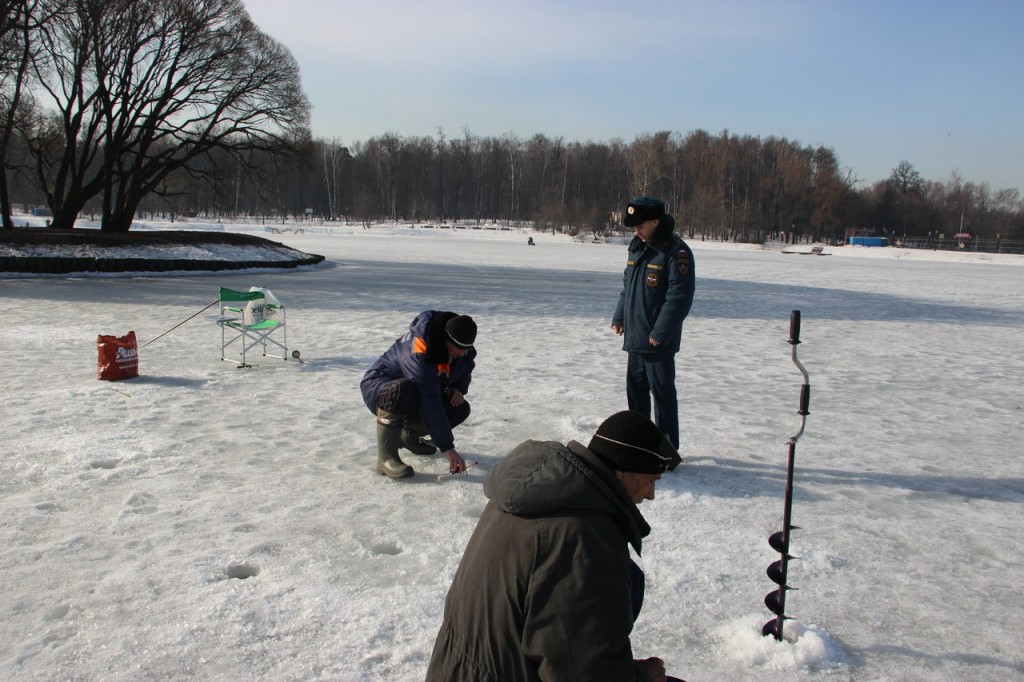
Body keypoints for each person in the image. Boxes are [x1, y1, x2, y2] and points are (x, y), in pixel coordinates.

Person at [427, 410, 686, 682]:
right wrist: (642, 676)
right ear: (623, 471)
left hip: (456, 669)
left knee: (629, 579)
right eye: (651, 481)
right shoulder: (585, 539)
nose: (651, 495)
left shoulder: (536, 494)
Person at [612, 197, 695, 450]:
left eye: (640, 225)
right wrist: (620, 316)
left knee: (663, 398)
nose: (636, 230)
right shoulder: (637, 247)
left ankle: (666, 450)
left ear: (656, 221)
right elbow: (628, 288)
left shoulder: (675, 252)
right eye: (634, 226)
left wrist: (660, 332)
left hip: (657, 342)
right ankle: (640, 447)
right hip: (636, 338)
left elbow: (679, 298)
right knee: (636, 397)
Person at [360, 311, 477, 479]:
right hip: (379, 387)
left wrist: (458, 387)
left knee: (458, 407)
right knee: (402, 390)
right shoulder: (419, 350)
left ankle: (407, 435)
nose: (459, 354)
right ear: (445, 339)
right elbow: (429, 400)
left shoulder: (462, 346)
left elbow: (467, 364)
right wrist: (447, 447)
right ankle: (386, 458)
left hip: (415, 392)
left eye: (463, 351)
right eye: (453, 350)